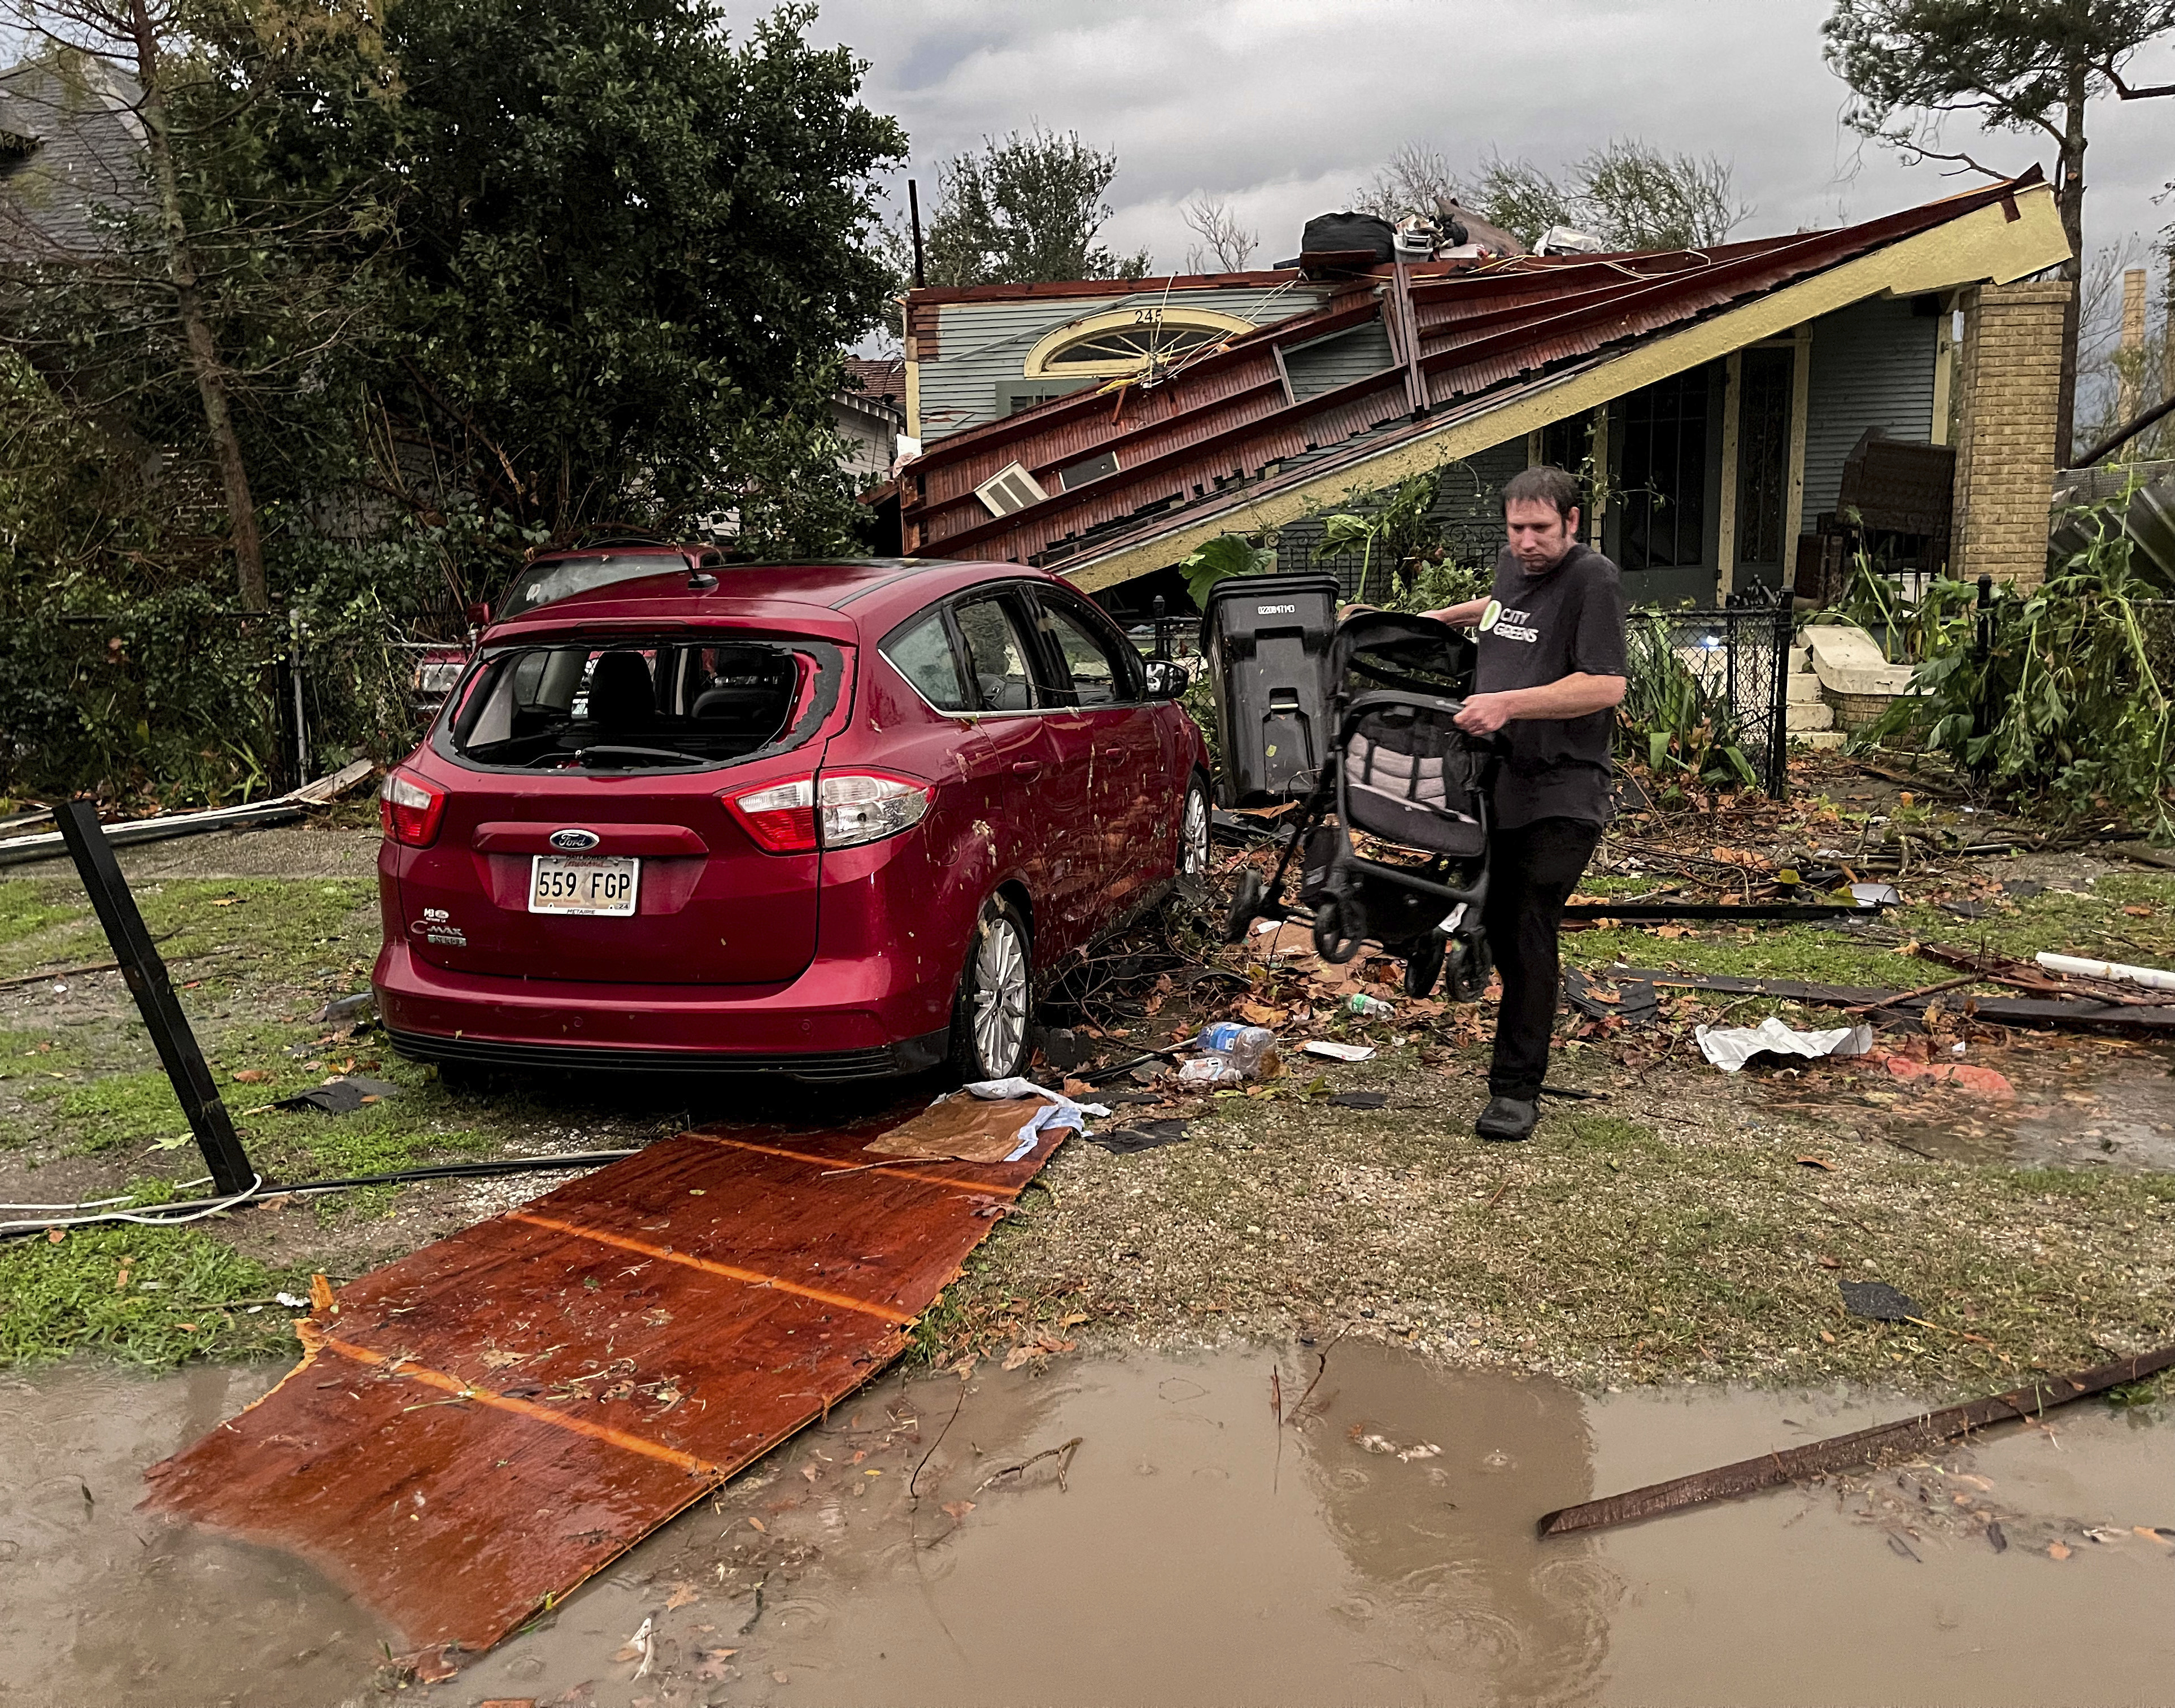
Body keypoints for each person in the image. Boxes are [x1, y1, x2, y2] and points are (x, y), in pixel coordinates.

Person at [1421, 466, 1626, 1143]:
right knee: (1489, 902)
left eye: (1540, 529)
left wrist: (1506, 702)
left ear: (1571, 523)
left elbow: (1604, 686)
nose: (1526, 542)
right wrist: (1431, 619)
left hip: (1565, 783)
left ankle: (1514, 1089)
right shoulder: (1514, 569)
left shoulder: (1592, 579)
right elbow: (1500, 611)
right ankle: (1471, 946)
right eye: (1516, 529)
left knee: (1528, 913)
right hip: (1499, 777)